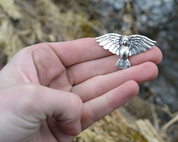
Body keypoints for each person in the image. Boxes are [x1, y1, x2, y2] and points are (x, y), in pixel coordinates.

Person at [0, 38, 162, 142]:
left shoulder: (133, 45)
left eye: (128, 42)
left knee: (130, 84)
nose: (125, 43)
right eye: (124, 42)